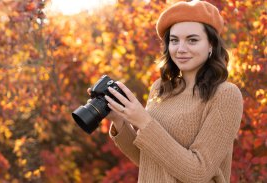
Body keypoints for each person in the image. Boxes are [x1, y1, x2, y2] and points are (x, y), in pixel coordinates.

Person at [88, 1, 243, 182]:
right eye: (174, 40)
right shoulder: (160, 89)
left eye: (192, 40)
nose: (181, 49)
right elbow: (150, 160)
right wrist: (119, 121)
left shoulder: (226, 95)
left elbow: (199, 172)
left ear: (211, 45)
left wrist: (143, 121)